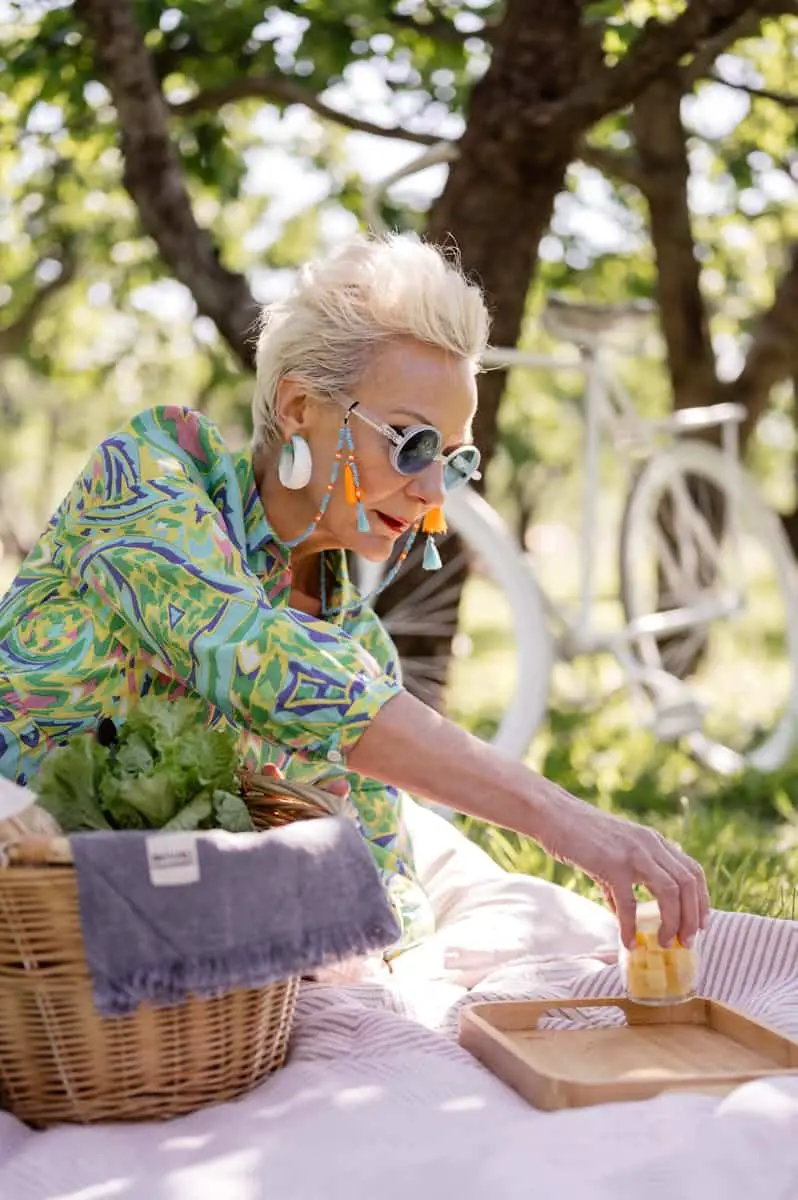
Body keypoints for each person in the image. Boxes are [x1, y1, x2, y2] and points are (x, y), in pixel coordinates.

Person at [0, 233, 708, 955]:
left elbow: (381, 879)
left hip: (156, 977)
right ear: (300, 405)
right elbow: (259, 662)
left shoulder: (357, 642)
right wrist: (562, 820)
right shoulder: (151, 478)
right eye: (411, 443)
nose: (433, 490)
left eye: (454, 459)